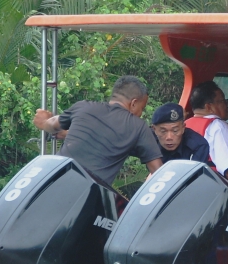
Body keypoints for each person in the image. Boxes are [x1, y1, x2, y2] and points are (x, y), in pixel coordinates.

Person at [32, 75, 163, 185]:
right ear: (133, 103)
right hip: (88, 194)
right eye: (142, 108)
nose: (141, 113)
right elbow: (158, 173)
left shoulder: (83, 107)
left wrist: (43, 120)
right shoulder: (138, 126)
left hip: (53, 179)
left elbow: (51, 124)